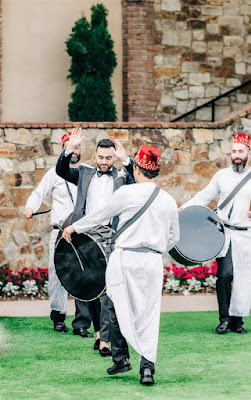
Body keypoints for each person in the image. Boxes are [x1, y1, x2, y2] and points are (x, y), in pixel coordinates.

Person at [62, 144, 180, 385]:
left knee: (114, 305)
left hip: (124, 258)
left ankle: (121, 358)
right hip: (152, 262)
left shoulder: (126, 194)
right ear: (155, 171)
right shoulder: (168, 200)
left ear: (137, 169)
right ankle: (147, 367)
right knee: (148, 313)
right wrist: (156, 250)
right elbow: (174, 238)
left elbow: (100, 215)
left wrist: (75, 227)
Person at [56, 127, 133, 356]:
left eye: (109, 158)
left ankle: (105, 341)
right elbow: (61, 170)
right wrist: (70, 148)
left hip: (110, 236)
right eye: (101, 157)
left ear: (113, 157)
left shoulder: (121, 177)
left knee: (108, 288)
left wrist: (125, 159)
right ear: (95, 155)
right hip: (85, 237)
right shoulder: (84, 173)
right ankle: (99, 331)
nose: (104, 162)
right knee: (91, 286)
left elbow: (138, 180)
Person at [181, 133, 251, 334]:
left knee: (243, 278)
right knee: (225, 274)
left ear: (248, 153)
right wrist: (184, 208)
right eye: (234, 151)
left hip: (247, 235)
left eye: (240, 151)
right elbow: (204, 196)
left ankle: (238, 321)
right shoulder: (222, 176)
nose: (236, 155)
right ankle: (224, 318)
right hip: (225, 233)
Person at [24, 132, 81, 333]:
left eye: (76, 147)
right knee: (57, 273)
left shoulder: (87, 172)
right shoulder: (54, 173)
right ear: (63, 148)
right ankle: (58, 317)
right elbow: (39, 192)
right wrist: (30, 207)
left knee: (83, 273)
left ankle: (82, 322)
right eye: (69, 146)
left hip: (81, 232)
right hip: (59, 231)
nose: (74, 151)